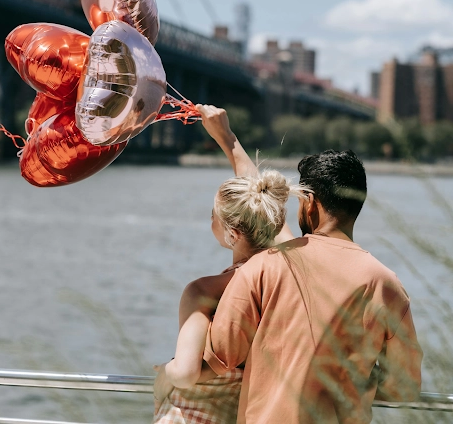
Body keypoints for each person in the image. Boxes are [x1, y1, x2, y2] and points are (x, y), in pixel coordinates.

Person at [197, 105, 423, 423]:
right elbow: (404, 388)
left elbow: (220, 355)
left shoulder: (266, 266)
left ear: (310, 203)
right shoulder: (386, 285)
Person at [152, 124, 306, 423]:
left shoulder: (206, 291)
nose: (210, 221)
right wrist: (227, 137)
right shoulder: (289, 268)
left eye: (214, 217)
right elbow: (259, 200)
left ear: (233, 234)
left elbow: (184, 374)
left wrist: (164, 374)